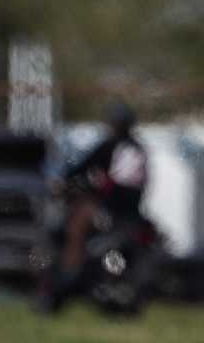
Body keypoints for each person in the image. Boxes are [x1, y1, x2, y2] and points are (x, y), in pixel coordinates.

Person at [39, 98, 149, 312]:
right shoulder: (139, 148)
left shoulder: (110, 145)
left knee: (76, 225)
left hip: (110, 210)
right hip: (132, 212)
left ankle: (70, 267)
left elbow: (81, 168)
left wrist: (62, 182)